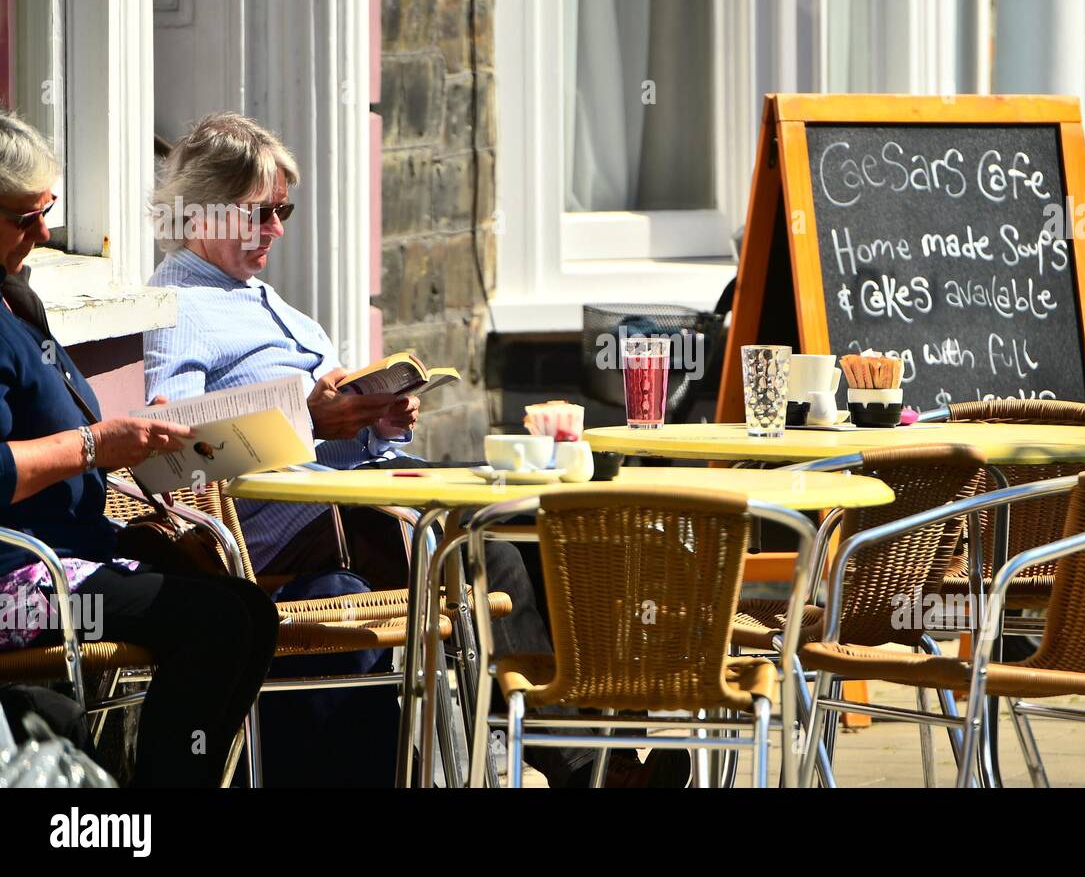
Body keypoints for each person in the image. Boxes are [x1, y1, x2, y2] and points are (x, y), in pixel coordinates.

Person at [144, 112, 686, 787]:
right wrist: (310, 419)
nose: (277, 230)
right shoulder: (178, 307)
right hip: (278, 532)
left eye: (283, 209)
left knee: (539, 531)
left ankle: (599, 742)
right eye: (260, 214)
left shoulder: (260, 298)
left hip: (344, 506)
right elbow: (172, 449)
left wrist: (375, 418)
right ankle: (586, 766)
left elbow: (324, 438)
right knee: (486, 547)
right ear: (208, 211)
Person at [0, 109, 279, 787]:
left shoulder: (16, 300)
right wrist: (97, 445)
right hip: (15, 582)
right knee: (214, 623)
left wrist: (150, 448)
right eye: (23, 219)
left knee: (246, 609)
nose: (42, 234)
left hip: (71, 552)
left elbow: (74, 438)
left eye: (48, 214)